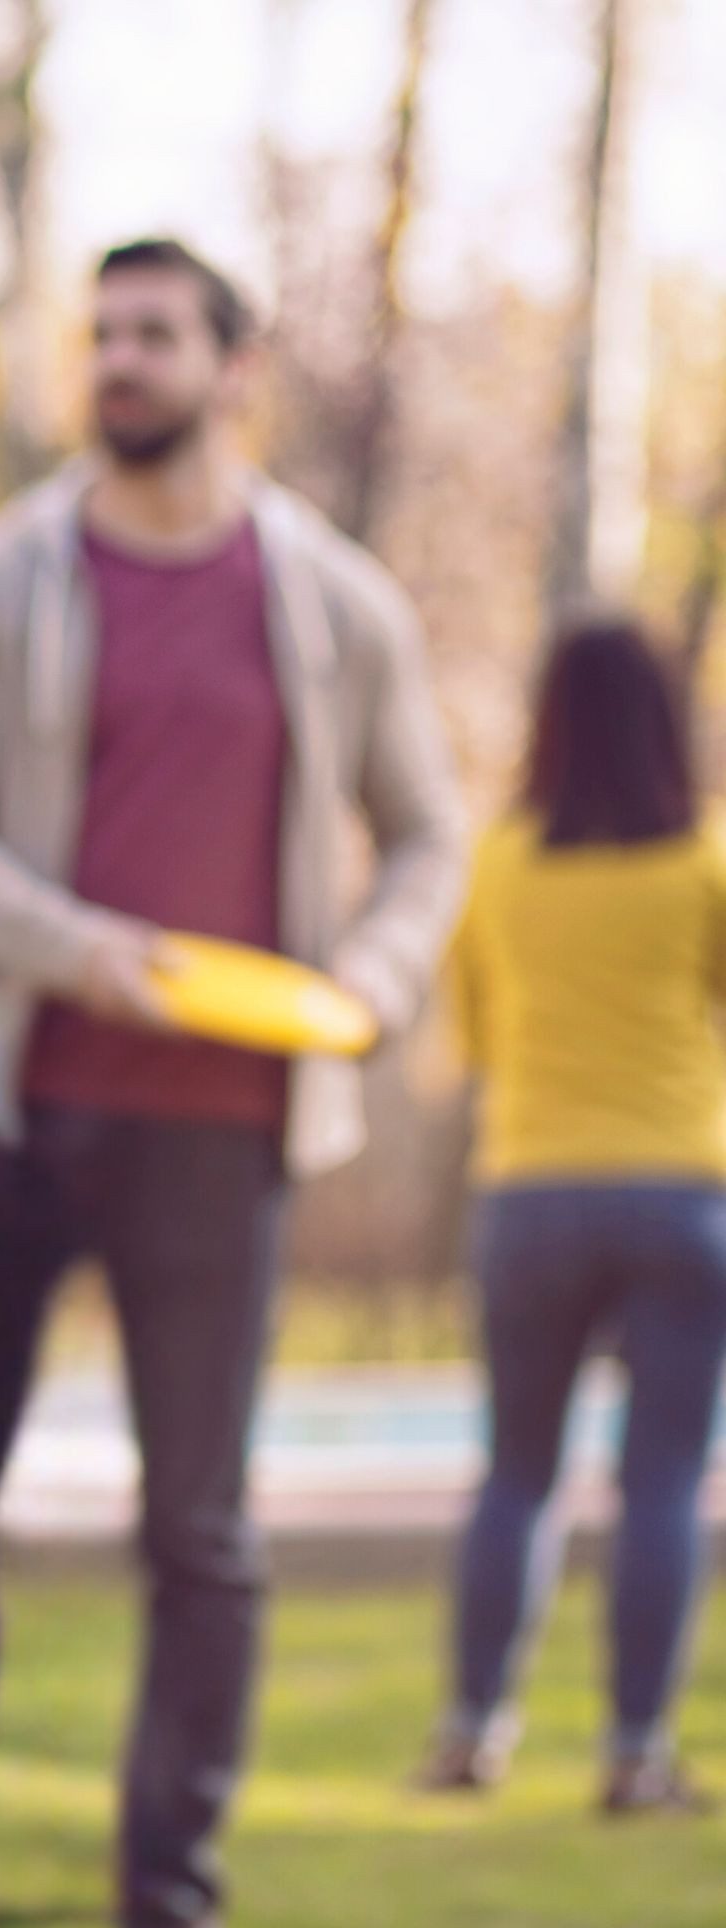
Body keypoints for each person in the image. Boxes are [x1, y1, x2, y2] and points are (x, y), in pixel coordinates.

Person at [0, 236, 465, 1928]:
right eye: (102, 333)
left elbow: (430, 834)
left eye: (156, 335)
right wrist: (82, 950)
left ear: (235, 370)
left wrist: (379, 989)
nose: (119, 360)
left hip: (223, 1123)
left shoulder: (331, 600)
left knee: (204, 1529)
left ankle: (170, 1901)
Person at [422, 619, 726, 1813]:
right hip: (680, 1200)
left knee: (517, 1472)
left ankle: (470, 1733)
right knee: (660, 1482)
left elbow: (472, 1039)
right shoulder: (702, 861)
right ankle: (635, 1752)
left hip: (531, 1194)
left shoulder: (498, 865)